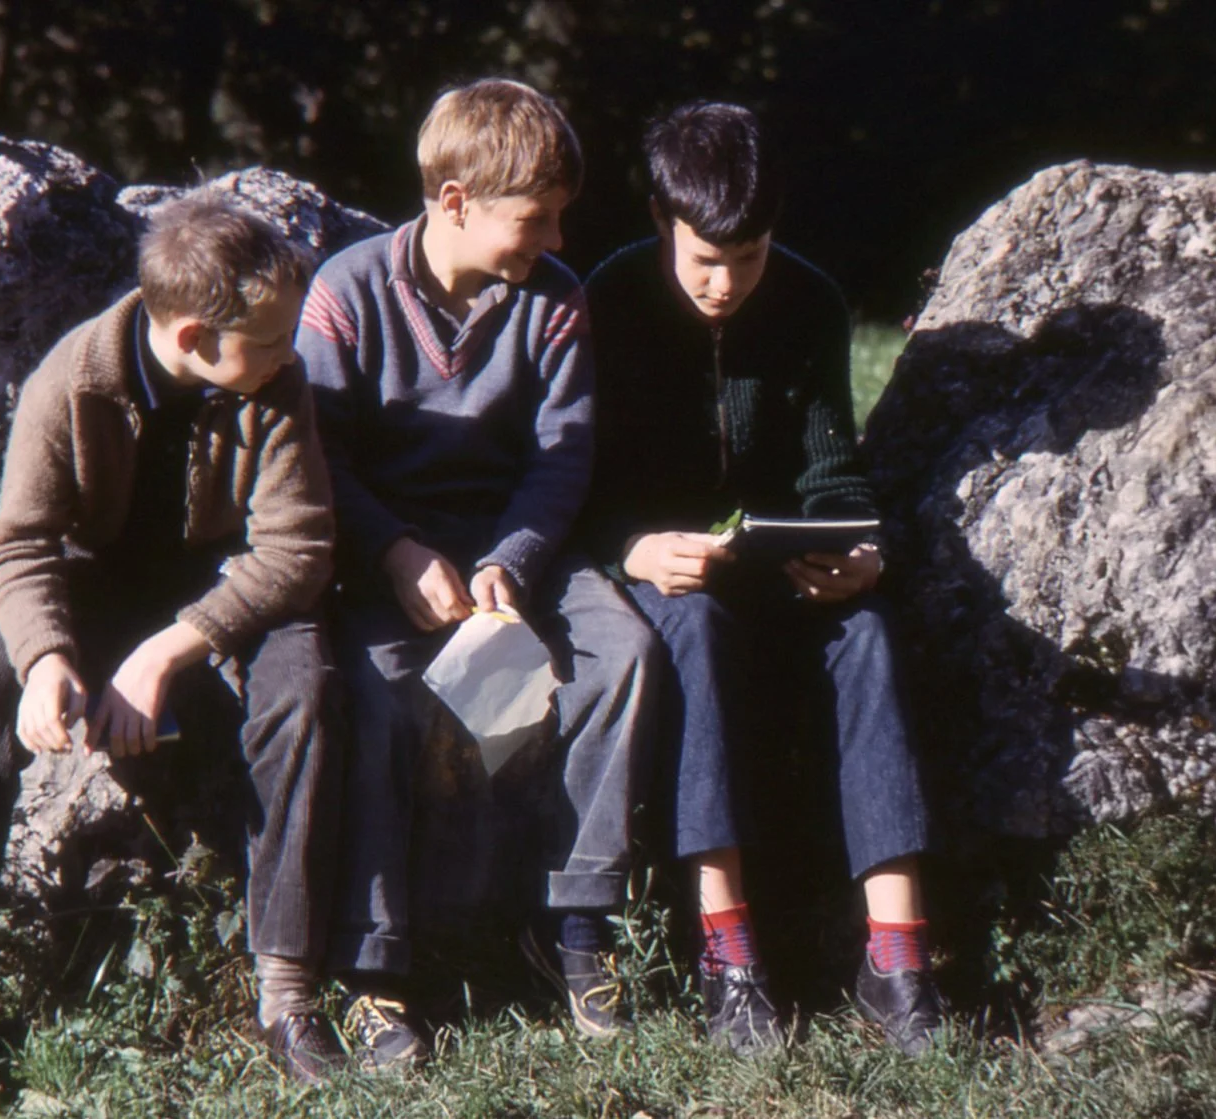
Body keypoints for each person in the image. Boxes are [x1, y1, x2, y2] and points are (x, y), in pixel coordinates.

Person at [0, 190, 347, 1085]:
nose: (293, 353)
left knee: (307, 689)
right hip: (89, 586)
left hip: (221, 592)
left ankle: (288, 992)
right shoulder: (72, 381)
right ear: (192, 339)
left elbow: (299, 547)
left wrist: (172, 649)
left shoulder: (274, 382)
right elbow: (16, 547)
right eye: (273, 337)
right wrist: (47, 657)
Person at [297, 77, 656, 1070]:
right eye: (532, 219)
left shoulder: (554, 302)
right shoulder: (345, 293)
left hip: (511, 543)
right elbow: (318, 457)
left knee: (618, 653)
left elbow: (560, 456)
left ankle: (574, 924)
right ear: (454, 200)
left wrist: (511, 560)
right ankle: (376, 969)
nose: (551, 239)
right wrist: (394, 552)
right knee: (376, 693)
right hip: (384, 551)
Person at [580, 101, 943, 1056]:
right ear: (661, 221)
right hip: (668, 580)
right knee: (691, 630)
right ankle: (728, 952)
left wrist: (859, 550)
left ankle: (897, 956)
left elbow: (834, 470)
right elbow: (573, 482)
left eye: (748, 259)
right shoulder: (605, 302)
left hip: (777, 573)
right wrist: (633, 549)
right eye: (703, 259)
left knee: (867, 633)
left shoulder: (811, 301)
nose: (725, 283)